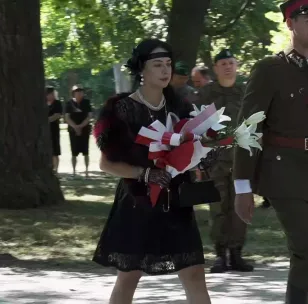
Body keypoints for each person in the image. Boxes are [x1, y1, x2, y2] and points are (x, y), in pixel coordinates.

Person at [232, 1, 308, 302]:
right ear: (290, 23)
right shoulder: (270, 69)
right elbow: (248, 128)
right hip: (280, 170)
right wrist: (243, 186)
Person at [91, 39, 212, 304]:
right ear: (141, 71)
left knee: (193, 273)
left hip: (176, 203)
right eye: (157, 65)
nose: (165, 70)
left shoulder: (181, 107)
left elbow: (193, 147)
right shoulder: (120, 109)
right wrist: (145, 174)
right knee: (129, 275)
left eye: (168, 64)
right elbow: (106, 164)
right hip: (137, 203)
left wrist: (200, 157)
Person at [194, 49, 253, 273]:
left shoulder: (247, 92)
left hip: (242, 162)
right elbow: (196, 128)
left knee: (241, 207)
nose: (228, 66)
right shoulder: (206, 94)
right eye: (223, 63)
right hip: (215, 161)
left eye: (231, 62)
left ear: (236, 66)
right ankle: (220, 255)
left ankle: (237, 253)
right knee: (217, 208)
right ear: (216, 68)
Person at [64, 85, 93, 177]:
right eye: (77, 91)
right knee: (73, 152)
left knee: (86, 151)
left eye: (81, 91)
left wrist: (80, 126)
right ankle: (74, 172)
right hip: (73, 131)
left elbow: (89, 116)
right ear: (73, 93)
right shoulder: (69, 103)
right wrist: (75, 127)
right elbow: (67, 117)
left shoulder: (86, 102)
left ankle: (87, 171)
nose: (79, 93)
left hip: (85, 130)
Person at [46, 87, 63, 172]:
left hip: (54, 130)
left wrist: (45, 120)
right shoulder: (43, 103)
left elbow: (57, 115)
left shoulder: (57, 103)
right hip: (45, 131)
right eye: (51, 93)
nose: (52, 95)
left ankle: (56, 170)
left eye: (53, 93)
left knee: (55, 151)